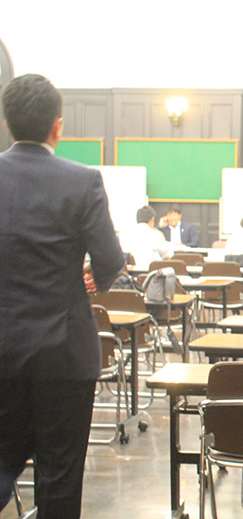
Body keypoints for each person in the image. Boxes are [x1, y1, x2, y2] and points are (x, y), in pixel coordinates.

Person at [0, 74, 126, 519]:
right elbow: (110, 261)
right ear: (57, 126)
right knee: (60, 474)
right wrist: (92, 275)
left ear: (7, 123)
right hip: (63, 352)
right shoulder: (82, 180)